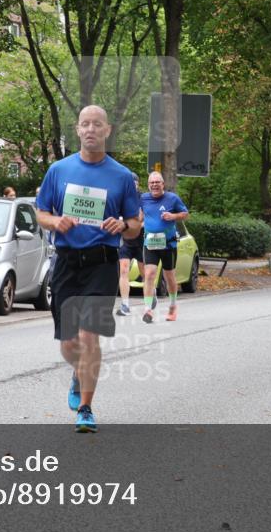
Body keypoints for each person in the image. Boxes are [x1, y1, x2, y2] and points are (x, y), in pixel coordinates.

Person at [36, 105, 141, 433]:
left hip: (102, 263)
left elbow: (137, 225)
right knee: (69, 343)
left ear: (107, 130)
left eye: (97, 124)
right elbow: (40, 212)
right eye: (85, 124)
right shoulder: (58, 170)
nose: (91, 129)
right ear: (78, 130)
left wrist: (122, 224)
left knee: (89, 336)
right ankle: (78, 373)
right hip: (67, 262)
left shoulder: (122, 176)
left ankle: (86, 407)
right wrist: (56, 220)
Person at [140, 171, 189, 322]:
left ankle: (173, 306)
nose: (154, 185)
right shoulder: (143, 198)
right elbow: (140, 215)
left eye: (157, 182)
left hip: (168, 244)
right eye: (151, 183)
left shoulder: (172, 198)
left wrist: (173, 216)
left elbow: (185, 213)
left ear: (163, 184)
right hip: (150, 243)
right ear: (148, 185)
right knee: (149, 275)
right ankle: (148, 310)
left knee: (169, 277)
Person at [116, 173, 145, 316]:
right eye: (130, 183)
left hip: (140, 239)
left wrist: (140, 222)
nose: (133, 185)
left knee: (145, 273)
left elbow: (145, 217)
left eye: (135, 183)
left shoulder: (143, 198)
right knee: (123, 271)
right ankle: (125, 304)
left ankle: (150, 299)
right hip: (126, 240)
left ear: (138, 184)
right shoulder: (121, 197)